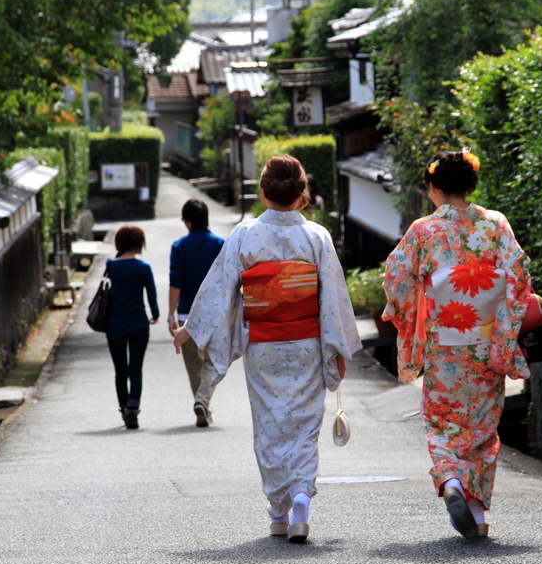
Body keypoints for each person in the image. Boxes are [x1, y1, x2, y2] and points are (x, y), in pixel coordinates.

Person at [173, 155, 361, 543]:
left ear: (263, 192)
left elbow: (219, 288)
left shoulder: (245, 235)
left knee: (270, 425)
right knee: (306, 426)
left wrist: (190, 331)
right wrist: (336, 346)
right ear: (301, 193)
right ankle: (300, 498)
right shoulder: (317, 237)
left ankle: (278, 511)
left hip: (264, 346)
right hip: (308, 342)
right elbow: (333, 299)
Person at [382, 150, 531, 539]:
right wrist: (504, 326)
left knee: (441, 420)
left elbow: (396, 278)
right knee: (483, 426)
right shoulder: (495, 225)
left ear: (433, 188)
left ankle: (450, 480)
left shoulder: (423, 230)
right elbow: (518, 277)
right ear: (471, 186)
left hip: (443, 345)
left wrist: (401, 312)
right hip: (485, 342)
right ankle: (478, 515)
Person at [167, 199, 225, 427]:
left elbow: (176, 282)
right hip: (215, 315)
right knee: (213, 361)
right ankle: (203, 403)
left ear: (188, 221)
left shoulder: (179, 246)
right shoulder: (220, 244)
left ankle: (202, 404)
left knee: (194, 365)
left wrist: (171, 315)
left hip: (186, 318)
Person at [106, 225, 159, 430]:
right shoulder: (143, 268)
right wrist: (154, 314)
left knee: (120, 371)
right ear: (139, 243)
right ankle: (133, 409)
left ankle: (123, 407)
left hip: (115, 325)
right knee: (135, 370)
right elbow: (152, 297)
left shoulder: (111, 266)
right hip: (138, 324)